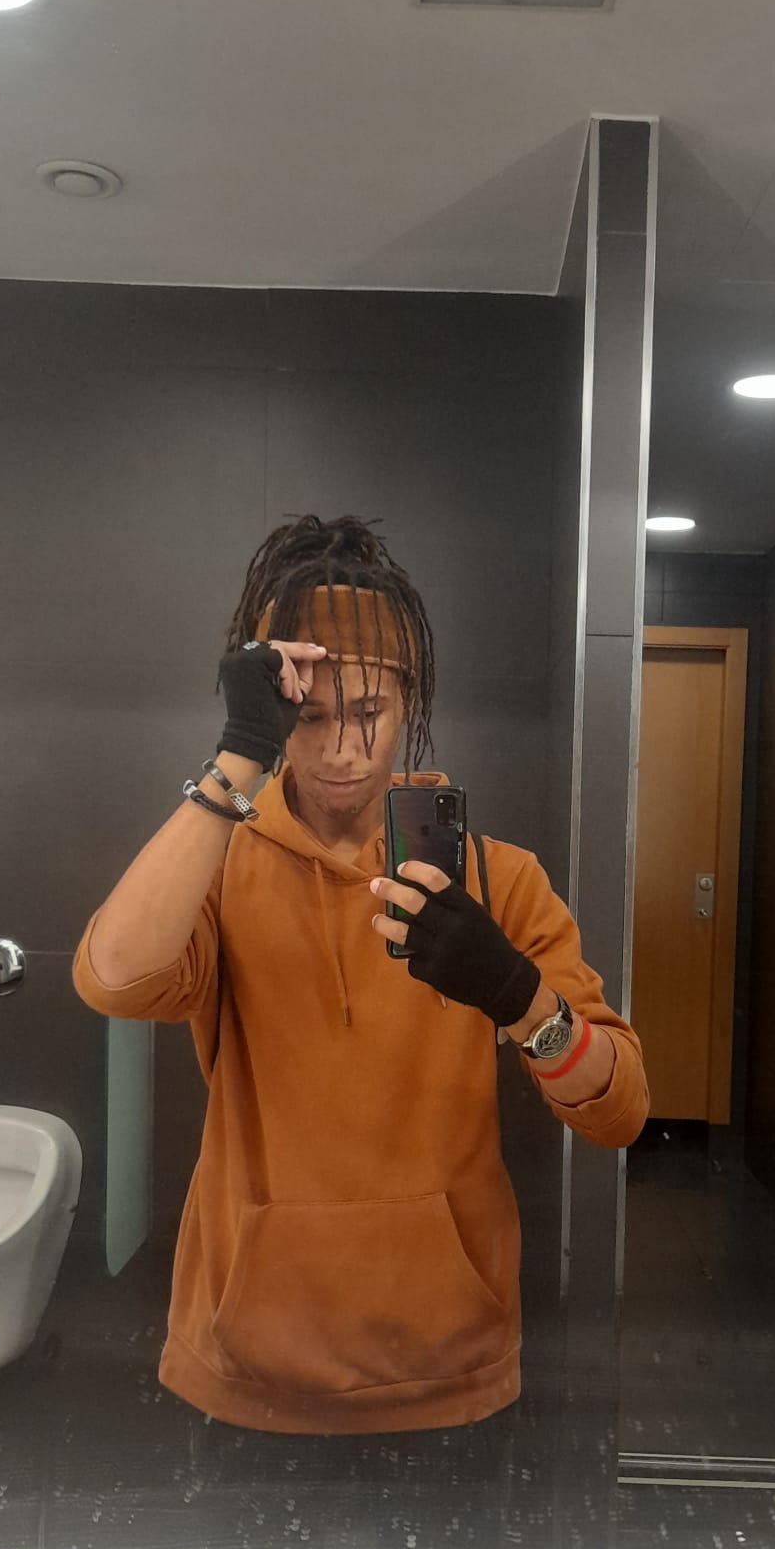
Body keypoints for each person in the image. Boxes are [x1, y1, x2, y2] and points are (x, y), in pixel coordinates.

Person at [73, 514, 649, 1436]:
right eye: (309, 717)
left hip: (449, 1365)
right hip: (249, 1364)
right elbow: (113, 980)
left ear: (409, 702)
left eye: (369, 712)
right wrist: (238, 754)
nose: (342, 749)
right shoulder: (217, 866)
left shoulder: (497, 879)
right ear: (276, 713)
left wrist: (518, 998)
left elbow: (619, 1111)